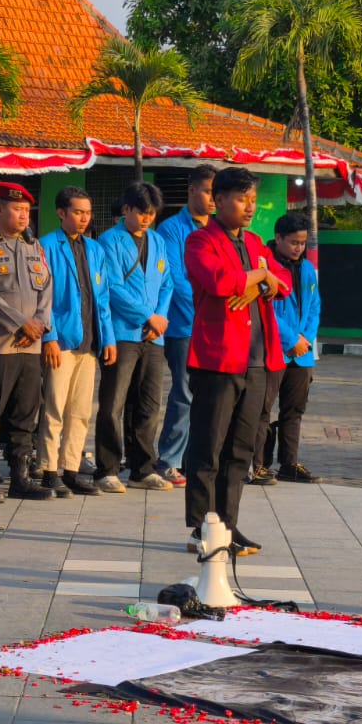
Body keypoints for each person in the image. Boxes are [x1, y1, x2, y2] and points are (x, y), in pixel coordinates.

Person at [182, 167, 291, 556]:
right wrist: (260, 275)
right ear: (220, 200)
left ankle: (227, 525)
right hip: (218, 359)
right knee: (208, 447)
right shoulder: (200, 240)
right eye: (242, 200)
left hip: (259, 360)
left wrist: (259, 278)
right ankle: (201, 526)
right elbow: (218, 282)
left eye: (253, 201)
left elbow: (283, 283)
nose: (250, 207)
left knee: (241, 451)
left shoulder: (257, 242)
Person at [0, 183, 54, 503]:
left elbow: (47, 288)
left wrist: (39, 323)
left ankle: (20, 475)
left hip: (30, 346)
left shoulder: (34, 248)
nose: (22, 215)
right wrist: (21, 323)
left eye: (26, 210)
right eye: (16, 209)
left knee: (25, 412)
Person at [94, 182, 174, 493]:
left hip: (154, 335)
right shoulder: (107, 241)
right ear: (126, 209)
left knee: (149, 404)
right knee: (113, 402)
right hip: (123, 332)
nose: (146, 219)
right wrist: (146, 315)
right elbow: (111, 287)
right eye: (141, 212)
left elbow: (167, 283)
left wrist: (160, 318)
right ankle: (107, 468)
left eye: (151, 214)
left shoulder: (157, 241)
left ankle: (142, 469)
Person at [37, 186, 116, 497]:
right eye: (77, 212)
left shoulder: (95, 250)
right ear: (61, 213)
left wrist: (107, 338)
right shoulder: (46, 247)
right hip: (62, 340)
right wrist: (50, 337)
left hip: (89, 340)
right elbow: (42, 300)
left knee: (81, 410)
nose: (84, 218)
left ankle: (71, 468)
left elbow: (103, 297)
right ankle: (48, 468)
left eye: (87, 212)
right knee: (54, 407)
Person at [155, 163, 217, 487]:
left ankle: (195, 460)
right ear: (192, 190)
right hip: (183, 326)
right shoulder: (171, 229)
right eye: (207, 191)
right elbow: (177, 279)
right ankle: (168, 459)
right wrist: (207, 306)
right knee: (184, 393)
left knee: (209, 397)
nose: (212, 198)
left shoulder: (218, 230)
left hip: (213, 328)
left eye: (215, 192)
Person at [261, 212, 320, 483]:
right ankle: (258, 463)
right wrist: (289, 340)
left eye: (303, 243)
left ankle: (289, 464)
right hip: (273, 349)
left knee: (293, 411)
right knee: (262, 409)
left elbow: (314, 306)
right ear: (278, 238)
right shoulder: (265, 266)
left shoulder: (307, 269)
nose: (299, 248)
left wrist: (304, 339)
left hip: (302, 354)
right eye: (294, 242)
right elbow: (267, 310)